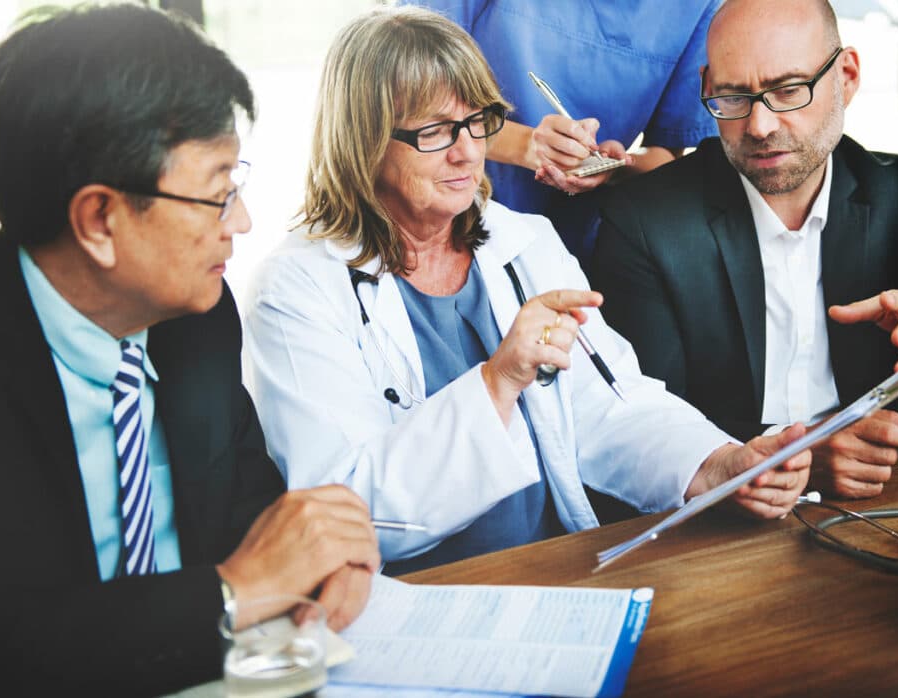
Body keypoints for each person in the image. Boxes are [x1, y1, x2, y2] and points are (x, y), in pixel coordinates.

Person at [243, 5, 811, 577]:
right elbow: (343, 513)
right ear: (362, 138)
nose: (467, 151)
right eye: (436, 130)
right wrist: (497, 383)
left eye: (478, 122)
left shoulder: (527, 243)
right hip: (405, 597)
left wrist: (719, 465)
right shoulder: (296, 288)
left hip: (549, 571)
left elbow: (611, 407)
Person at [0, 5, 379, 695]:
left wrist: (320, 555)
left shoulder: (195, 316)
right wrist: (234, 591)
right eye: (218, 193)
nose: (244, 223)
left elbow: (243, 502)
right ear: (100, 219)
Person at [590, 0, 898, 501]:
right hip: (711, 525)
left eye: (788, 90)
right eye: (734, 96)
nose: (759, 126)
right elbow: (641, 423)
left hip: (876, 508)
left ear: (845, 77)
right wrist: (802, 460)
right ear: (706, 88)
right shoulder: (644, 221)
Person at [402, 0, 722, 264]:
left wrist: (611, 166)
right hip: (449, 214)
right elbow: (411, 90)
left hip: (573, 246)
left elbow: (666, 156)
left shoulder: (698, 8)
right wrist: (528, 146)